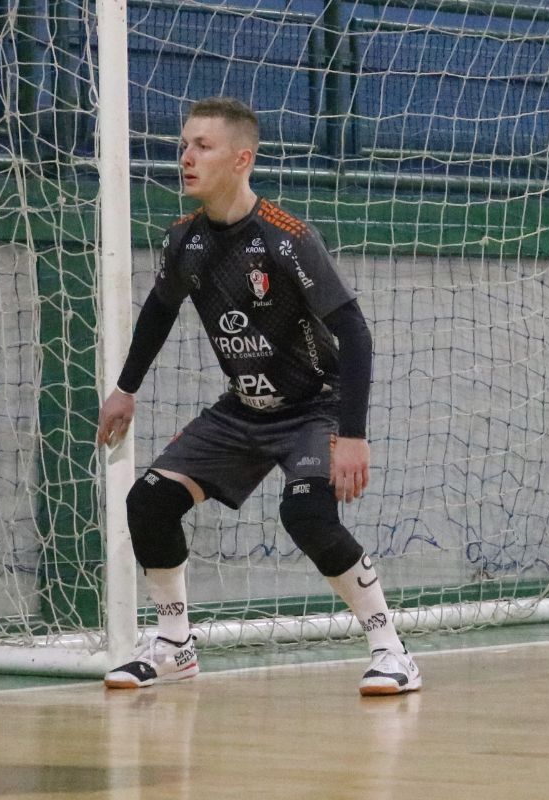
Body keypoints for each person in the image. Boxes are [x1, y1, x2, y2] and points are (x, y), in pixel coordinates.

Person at [96, 96, 420, 696]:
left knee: (306, 515)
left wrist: (351, 434)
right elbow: (159, 311)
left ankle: (391, 650)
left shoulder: (286, 238)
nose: (186, 156)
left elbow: (353, 331)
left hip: (313, 409)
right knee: (149, 502)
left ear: (241, 159)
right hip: (242, 409)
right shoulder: (184, 241)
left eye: (203, 146)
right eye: (185, 143)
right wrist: (125, 390)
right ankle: (174, 645)